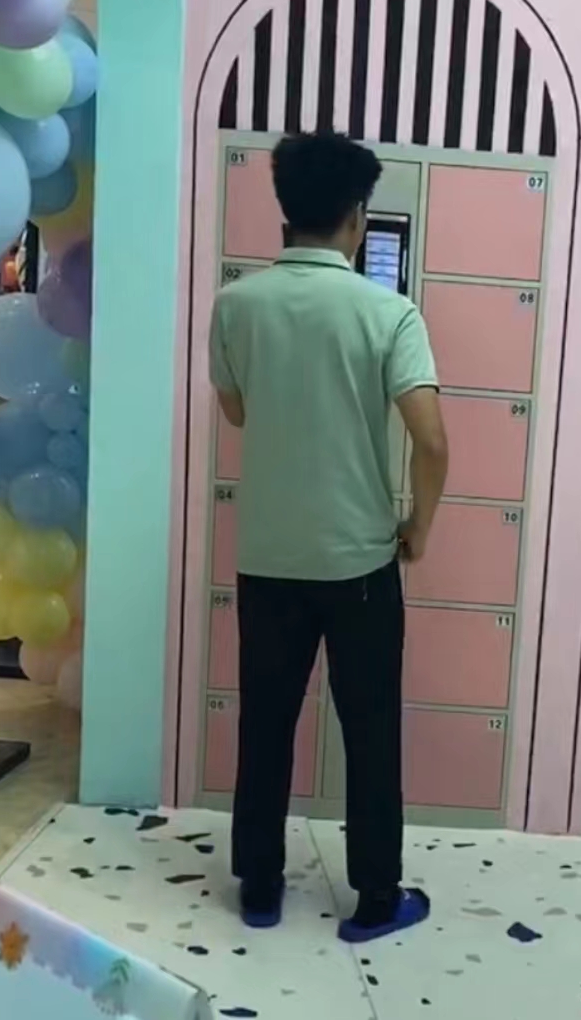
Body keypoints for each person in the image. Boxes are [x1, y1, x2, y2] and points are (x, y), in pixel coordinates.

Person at [208, 131, 449, 943]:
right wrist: (417, 524)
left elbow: (237, 409)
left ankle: (260, 888)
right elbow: (432, 440)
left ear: (286, 212)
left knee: (265, 723)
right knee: (370, 729)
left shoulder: (235, 305)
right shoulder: (388, 311)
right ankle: (375, 898)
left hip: (268, 558)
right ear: (356, 218)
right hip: (360, 563)